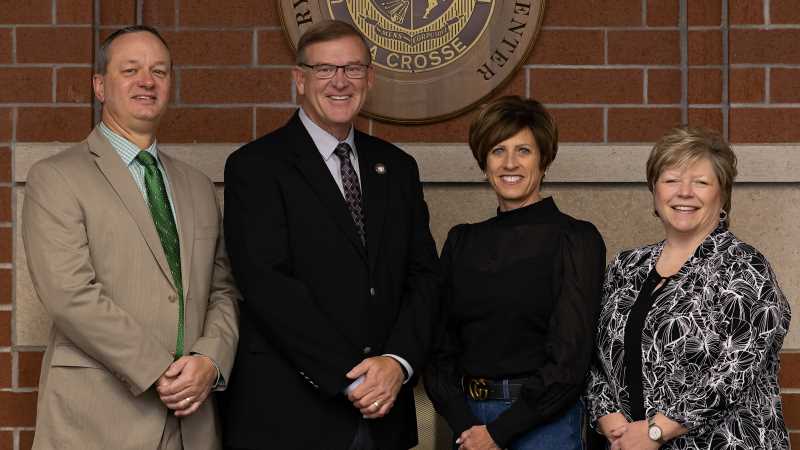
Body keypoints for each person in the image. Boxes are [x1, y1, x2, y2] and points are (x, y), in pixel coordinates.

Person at [221, 20, 440, 450]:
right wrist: (352, 377)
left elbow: (425, 278)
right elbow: (267, 284)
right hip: (290, 414)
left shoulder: (397, 168)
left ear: (370, 78)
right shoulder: (255, 167)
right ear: (299, 80)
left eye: (353, 69)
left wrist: (396, 364)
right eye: (324, 70)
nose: (340, 82)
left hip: (384, 414)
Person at [22, 26, 239, 450]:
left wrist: (210, 361)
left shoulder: (197, 186)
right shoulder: (57, 177)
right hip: (96, 420)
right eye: (131, 70)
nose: (147, 81)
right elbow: (69, 293)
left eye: (159, 71)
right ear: (100, 85)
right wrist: (160, 369)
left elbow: (223, 290)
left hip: (191, 424)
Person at [584, 127, 791, 449]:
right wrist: (609, 418)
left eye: (701, 182)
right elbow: (594, 355)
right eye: (671, 180)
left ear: (722, 194)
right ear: (654, 191)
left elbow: (734, 370)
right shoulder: (627, 267)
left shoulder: (745, 267)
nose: (684, 192)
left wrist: (655, 431)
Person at [423, 95, 607, 450]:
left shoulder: (575, 239)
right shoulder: (462, 241)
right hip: (468, 421)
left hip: (544, 424)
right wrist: (467, 428)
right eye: (497, 150)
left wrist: (497, 434)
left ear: (543, 159)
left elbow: (570, 359)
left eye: (523, 150)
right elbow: (438, 347)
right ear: (484, 161)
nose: (510, 163)